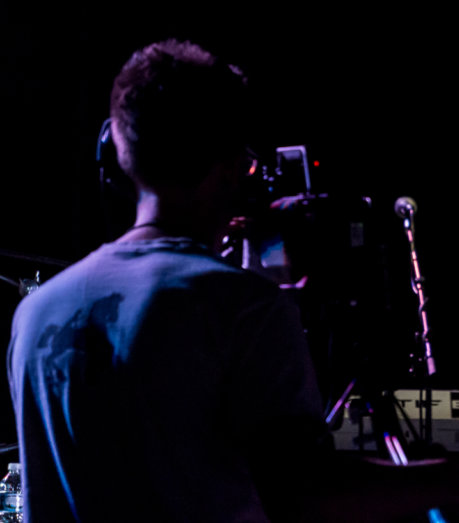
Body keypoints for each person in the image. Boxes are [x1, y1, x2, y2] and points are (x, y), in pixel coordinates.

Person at [7, 40, 335, 522]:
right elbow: (304, 497)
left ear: (117, 155)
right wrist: (445, 481)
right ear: (228, 166)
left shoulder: (35, 313)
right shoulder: (244, 308)